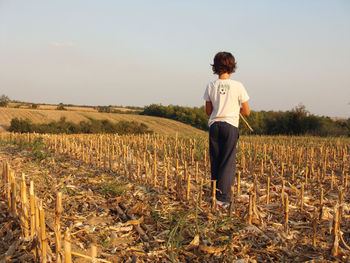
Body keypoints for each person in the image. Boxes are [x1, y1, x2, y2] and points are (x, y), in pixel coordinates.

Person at [203, 51, 250, 209]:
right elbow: (247, 111)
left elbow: (208, 111)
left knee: (215, 160)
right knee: (228, 162)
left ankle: (214, 195)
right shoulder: (238, 86)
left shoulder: (210, 86)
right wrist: (236, 110)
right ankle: (222, 200)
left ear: (215, 67)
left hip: (215, 126)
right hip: (230, 126)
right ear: (232, 66)